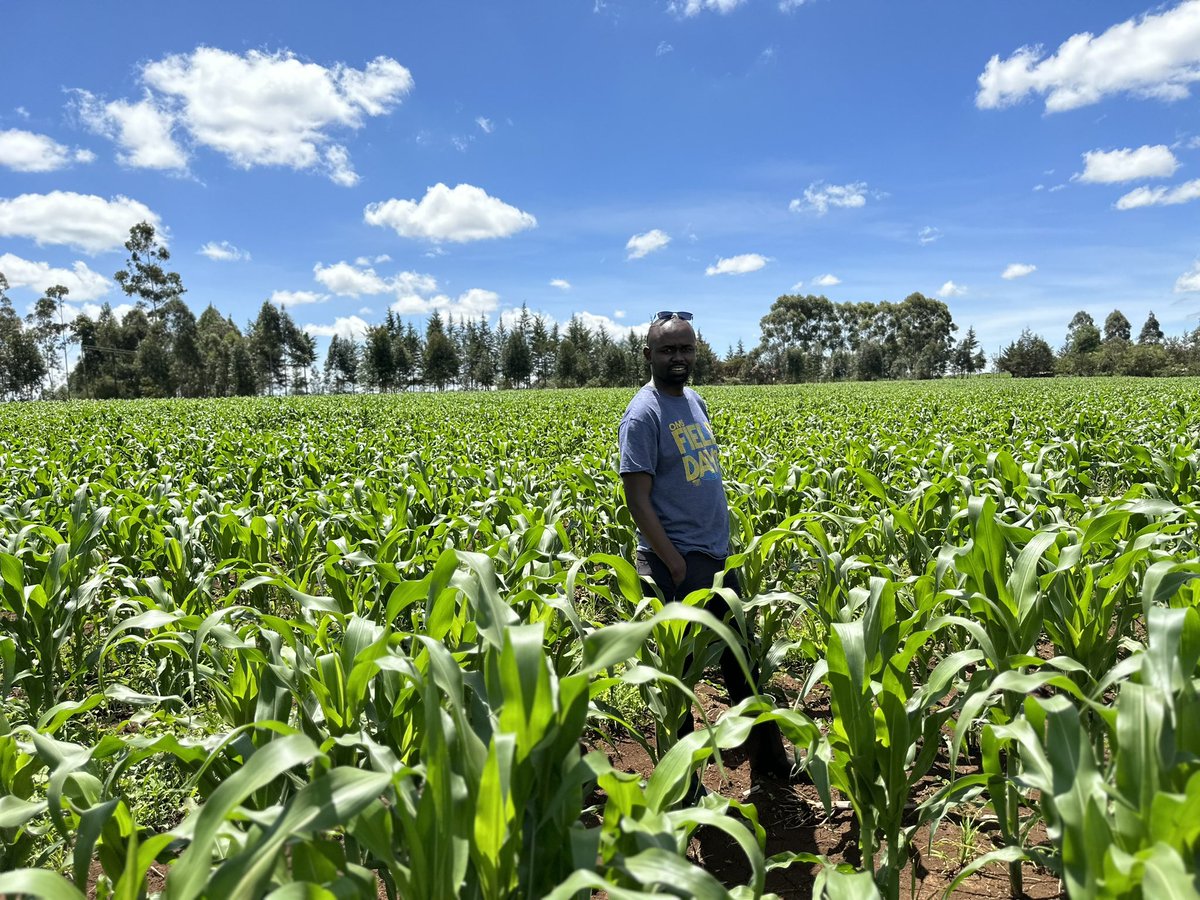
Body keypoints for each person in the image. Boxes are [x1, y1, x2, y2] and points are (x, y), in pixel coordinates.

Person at [617, 310, 790, 781]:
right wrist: (673, 564)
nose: (679, 357)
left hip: (716, 558)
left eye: (686, 348)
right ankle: (682, 786)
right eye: (669, 349)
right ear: (648, 354)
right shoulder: (643, 413)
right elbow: (637, 499)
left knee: (742, 662)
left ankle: (771, 766)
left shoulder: (695, 401)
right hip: (678, 564)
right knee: (680, 680)